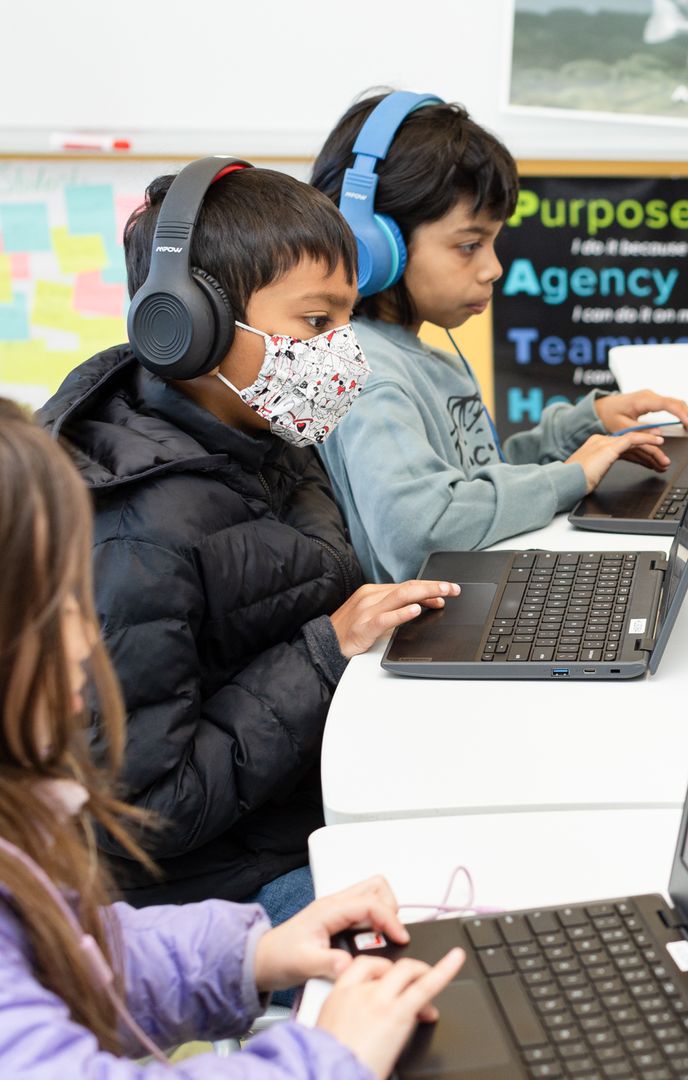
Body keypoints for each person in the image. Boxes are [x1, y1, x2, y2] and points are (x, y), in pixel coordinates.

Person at [0, 369, 466, 1077]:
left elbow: (68, 954)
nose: (85, 643)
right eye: (59, 611)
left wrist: (248, 954)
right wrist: (327, 1057)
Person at [39, 161, 456, 918]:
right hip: (215, 890)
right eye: (317, 323)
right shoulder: (136, 536)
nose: (343, 354)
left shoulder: (264, 436)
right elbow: (150, 811)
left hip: (305, 802)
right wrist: (326, 650)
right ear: (186, 327)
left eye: (346, 320)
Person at [310, 91, 688, 584]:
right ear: (370, 243)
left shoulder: (426, 360)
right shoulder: (368, 378)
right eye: (469, 245)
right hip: (418, 634)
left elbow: (475, 486)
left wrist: (584, 428)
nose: (493, 268)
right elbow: (424, 533)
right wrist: (571, 477)